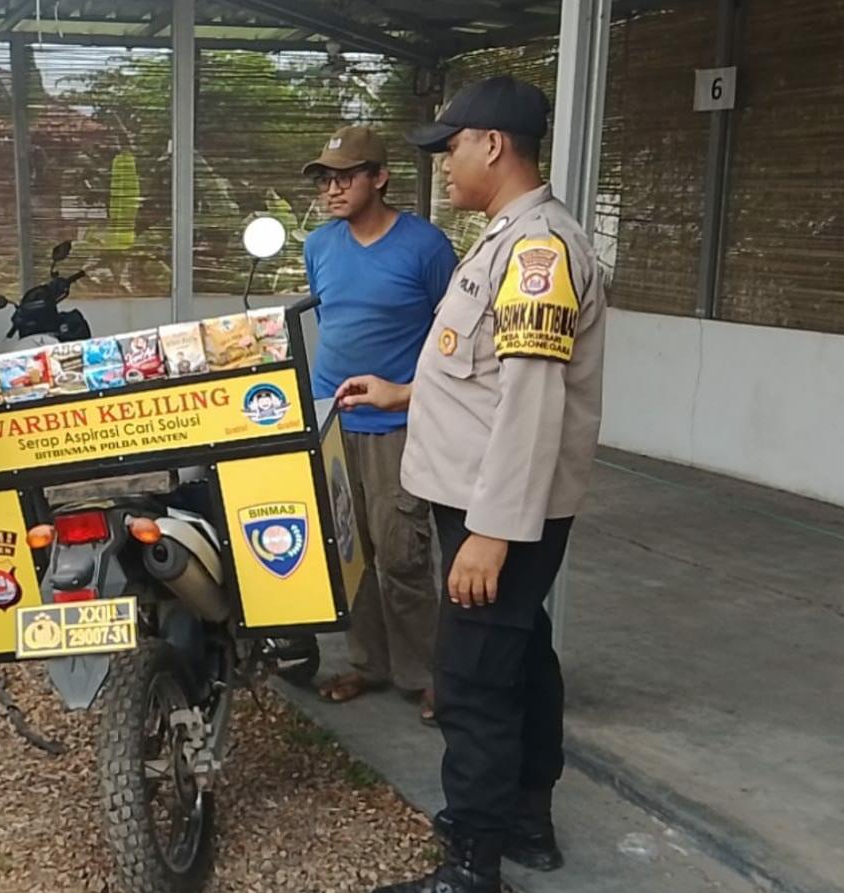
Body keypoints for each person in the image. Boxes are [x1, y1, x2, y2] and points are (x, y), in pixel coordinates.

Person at [341, 76, 607, 893]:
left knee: (472, 680)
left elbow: (531, 402)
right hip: (489, 502)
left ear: (492, 144)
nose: (445, 164)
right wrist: (404, 393)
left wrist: (491, 531)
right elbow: (486, 374)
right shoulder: (508, 239)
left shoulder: (536, 254)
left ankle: (471, 864)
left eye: (451, 146)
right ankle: (527, 821)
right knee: (520, 655)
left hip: (497, 512)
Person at [302, 125, 458, 725]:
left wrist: (415, 398)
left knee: (401, 555)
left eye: (346, 177)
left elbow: (452, 334)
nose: (333, 190)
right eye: (326, 179)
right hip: (331, 421)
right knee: (349, 553)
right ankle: (367, 664)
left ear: (380, 177)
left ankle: (427, 675)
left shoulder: (426, 247)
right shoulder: (320, 245)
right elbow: (334, 320)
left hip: (398, 424)